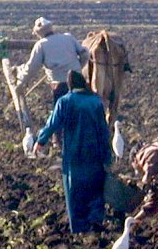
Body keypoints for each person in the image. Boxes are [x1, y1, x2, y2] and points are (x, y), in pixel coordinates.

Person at [33, 70, 112, 234]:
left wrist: (40, 141)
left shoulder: (64, 101)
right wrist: (107, 155)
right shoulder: (96, 102)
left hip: (74, 155)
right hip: (94, 153)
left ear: (70, 85)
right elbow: (104, 131)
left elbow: (52, 124)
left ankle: (79, 227)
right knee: (96, 187)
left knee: (74, 190)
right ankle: (95, 219)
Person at [16, 17, 89, 107]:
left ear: (38, 33)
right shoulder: (68, 38)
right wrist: (78, 68)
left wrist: (21, 82)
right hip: (78, 81)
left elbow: (32, 67)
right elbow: (85, 54)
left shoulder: (41, 45)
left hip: (60, 85)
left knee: (62, 113)